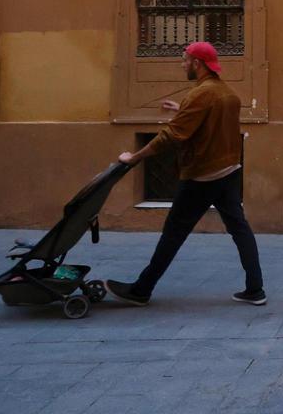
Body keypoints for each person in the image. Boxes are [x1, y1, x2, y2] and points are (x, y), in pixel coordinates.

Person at [105, 41, 266, 306]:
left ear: (197, 63)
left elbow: (172, 135)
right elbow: (210, 121)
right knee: (240, 229)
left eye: (184, 60)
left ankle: (141, 290)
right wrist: (181, 110)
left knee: (173, 233)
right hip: (229, 172)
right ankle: (255, 289)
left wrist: (133, 158)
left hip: (202, 176)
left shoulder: (200, 95)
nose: (182, 65)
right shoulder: (228, 93)